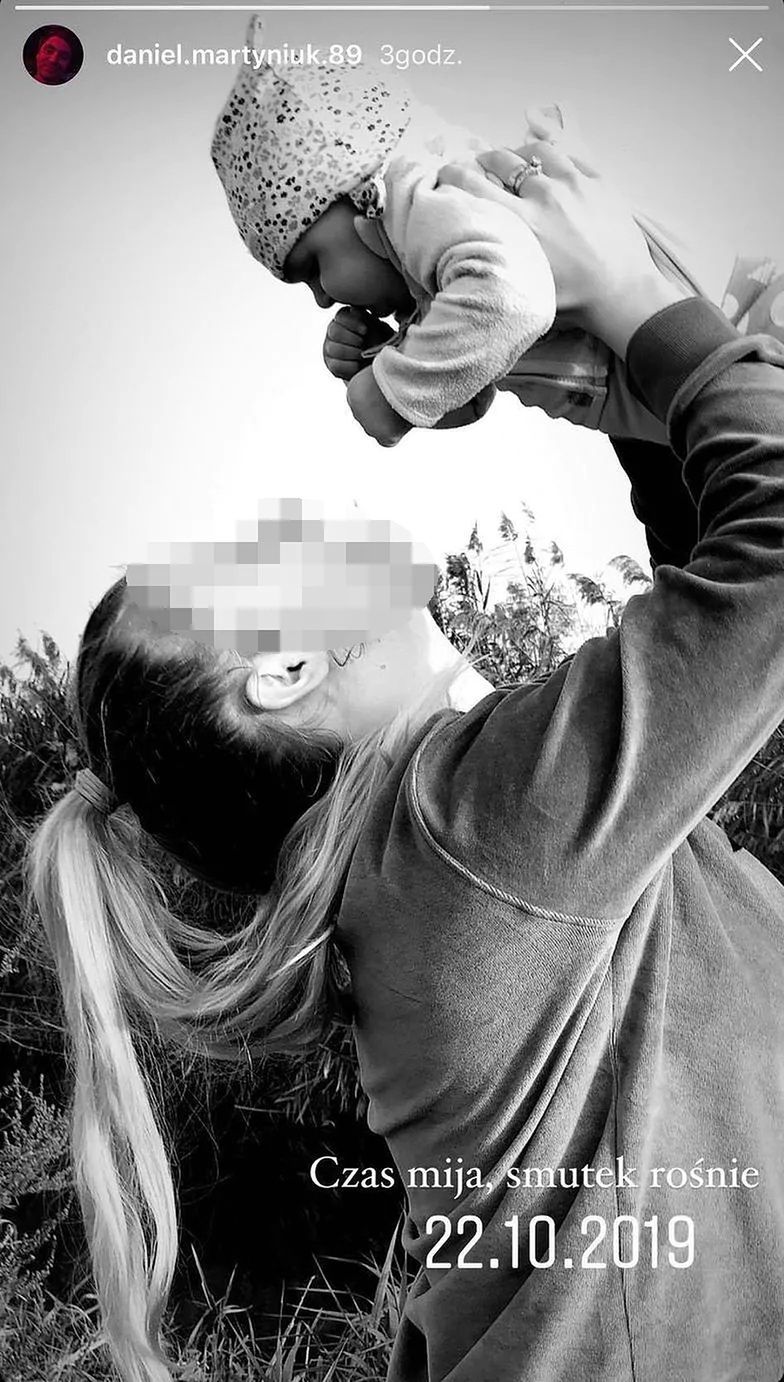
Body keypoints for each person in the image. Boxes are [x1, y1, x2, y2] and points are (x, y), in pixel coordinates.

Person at [27, 135, 784, 1382]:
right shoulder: (468, 828)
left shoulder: (440, 845)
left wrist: (639, 423)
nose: (291, 522)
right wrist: (647, 313)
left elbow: (706, 624)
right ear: (283, 668)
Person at [211, 16, 709, 450]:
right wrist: (391, 357)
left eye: (312, 268)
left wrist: (392, 392)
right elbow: (471, 399)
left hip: (712, 336)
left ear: (360, 192)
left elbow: (514, 299)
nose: (322, 298)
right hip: (680, 398)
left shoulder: (421, 200)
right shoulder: (433, 277)